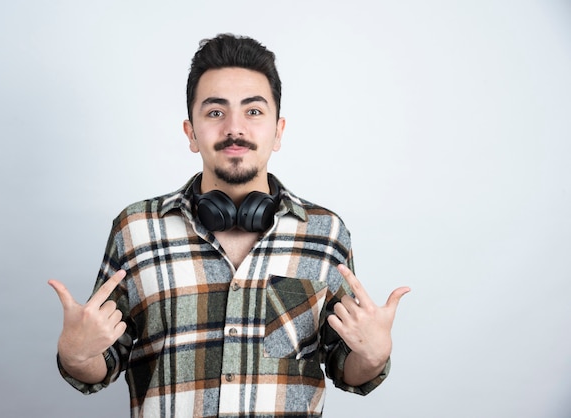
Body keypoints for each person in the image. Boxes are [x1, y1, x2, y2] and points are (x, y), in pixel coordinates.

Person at [48, 33, 410, 418]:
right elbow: (102, 361)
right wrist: (76, 355)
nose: (234, 128)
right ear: (191, 132)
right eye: (215, 112)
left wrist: (373, 355)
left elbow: (347, 368)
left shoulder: (325, 233)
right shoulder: (136, 229)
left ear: (278, 131)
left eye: (253, 112)